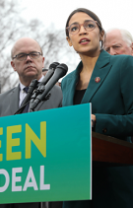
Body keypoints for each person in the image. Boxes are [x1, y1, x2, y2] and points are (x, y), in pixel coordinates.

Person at [61, 8, 133, 208]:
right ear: (69, 40)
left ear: (101, 34)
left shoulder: (124, 65)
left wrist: (96, 121)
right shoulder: (66, 82)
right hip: (76, 188)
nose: (82, 31)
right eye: (74, 28)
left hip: (113, 187)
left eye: (89, 25)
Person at [0, 37, 63, 208]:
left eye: (34, 54)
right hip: (7, 195)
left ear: (42, 60)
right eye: (21, 55)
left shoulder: (62, 95)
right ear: (13, 65)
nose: (28, 59)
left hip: (47, 193)